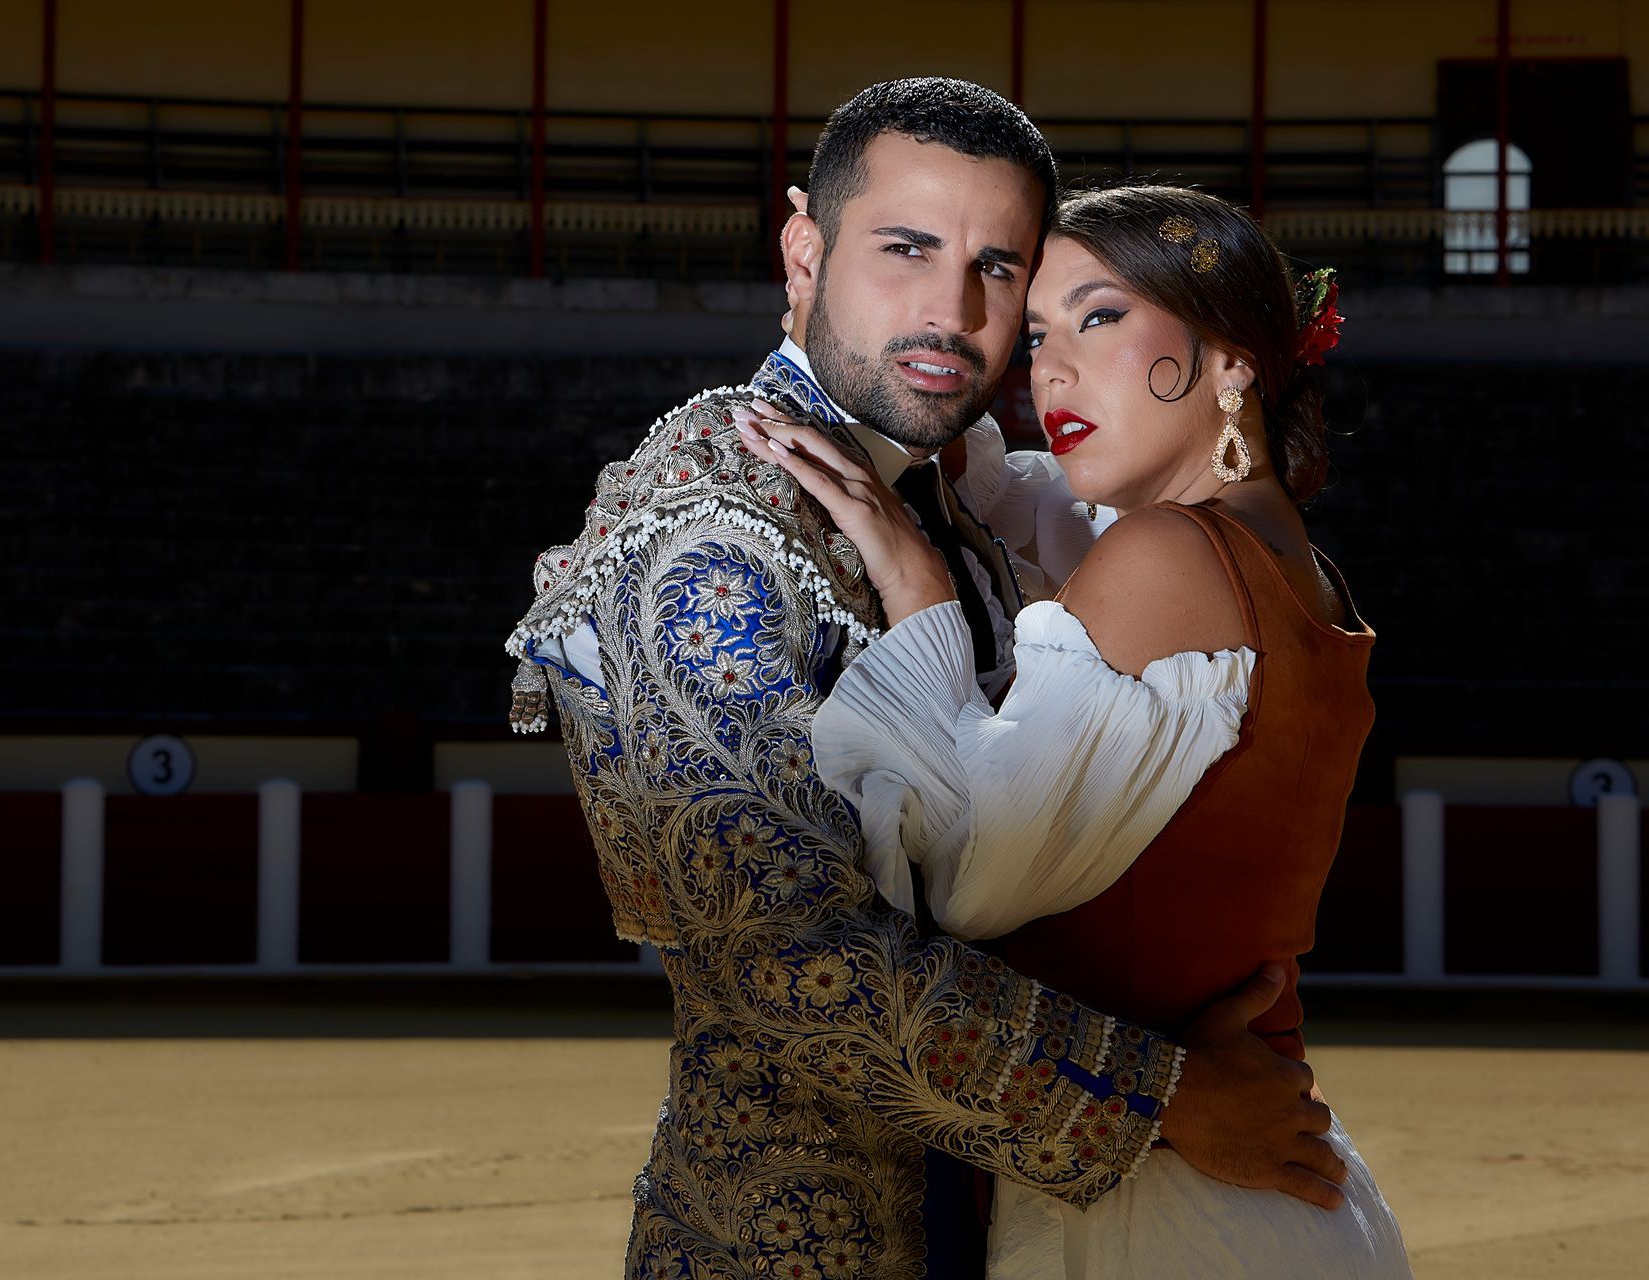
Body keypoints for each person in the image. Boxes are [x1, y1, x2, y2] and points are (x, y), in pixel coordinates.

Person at [504, 80, 1345, 1278]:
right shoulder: (709, 519)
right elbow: (785, 956)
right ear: (805, 252)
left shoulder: (963, 498)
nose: (952, 311)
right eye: (906, 248)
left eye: (998, 268)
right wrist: (1164, 1095)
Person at [739, 182, 1411, 1277]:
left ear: (1231, 358)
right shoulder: (1288, 561)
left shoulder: (1168, 557)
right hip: (1251, 1201)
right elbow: (1031, 504)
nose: (1048, 371)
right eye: (1039, 332)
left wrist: (918, 591)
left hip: (1160, 1211)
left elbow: (969, 880)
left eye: (1099, 317)